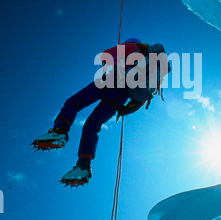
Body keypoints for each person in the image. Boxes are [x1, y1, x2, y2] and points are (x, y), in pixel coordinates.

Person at [32, 38, 169, 186]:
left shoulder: (132, 46)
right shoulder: (154, 68)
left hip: (109, 81)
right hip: (120, 97)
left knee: (73, 103)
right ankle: (84, 165)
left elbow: (106, 55)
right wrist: (125, 109)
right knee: (92, 126)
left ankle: (60, 131)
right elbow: (142, 98)